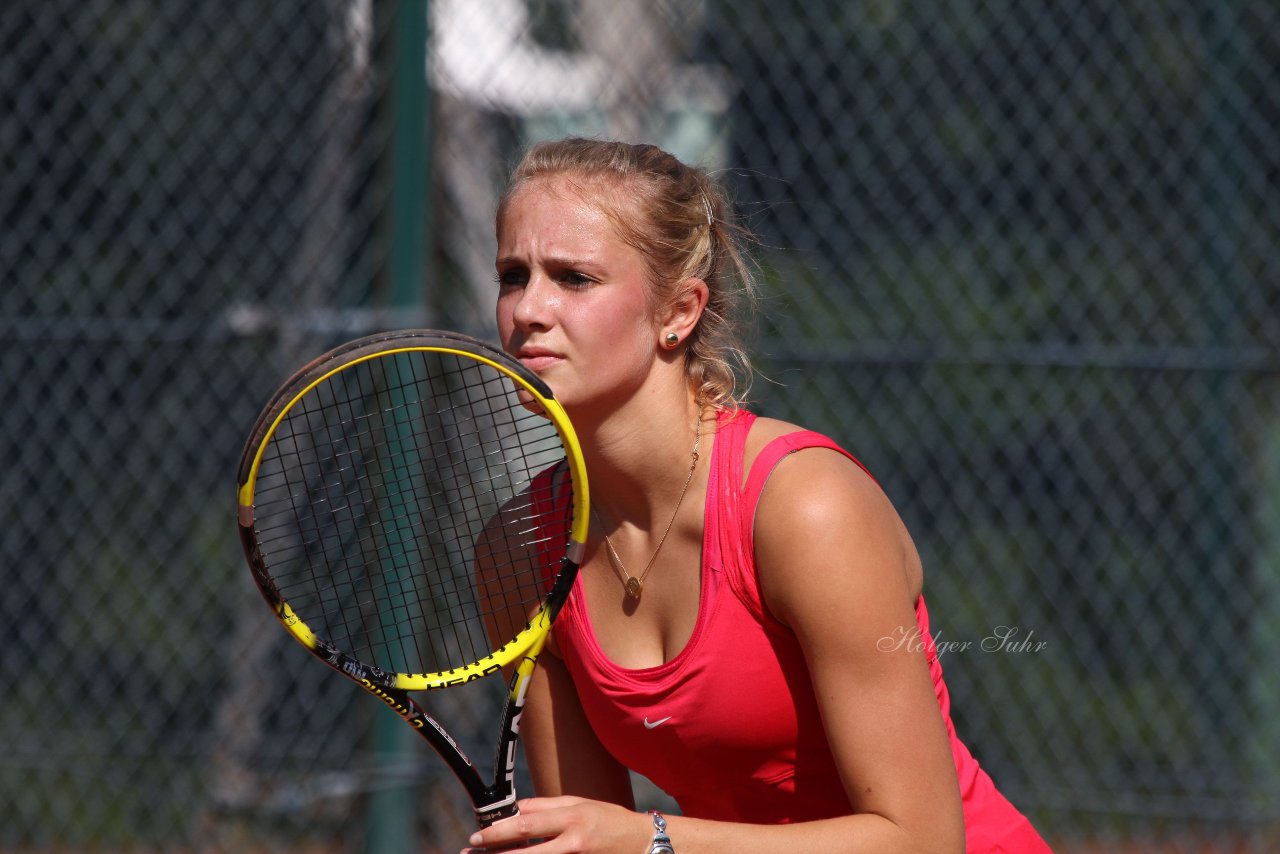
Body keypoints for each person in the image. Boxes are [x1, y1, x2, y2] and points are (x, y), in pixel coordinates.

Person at [467, 137, 1052, 853]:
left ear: (678, 311)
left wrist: (651, 841)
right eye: (511, 275)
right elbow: (591, 837)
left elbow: (923, 841)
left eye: (574, 278)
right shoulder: (519, 553)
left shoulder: (803, 507)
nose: (529, 308)